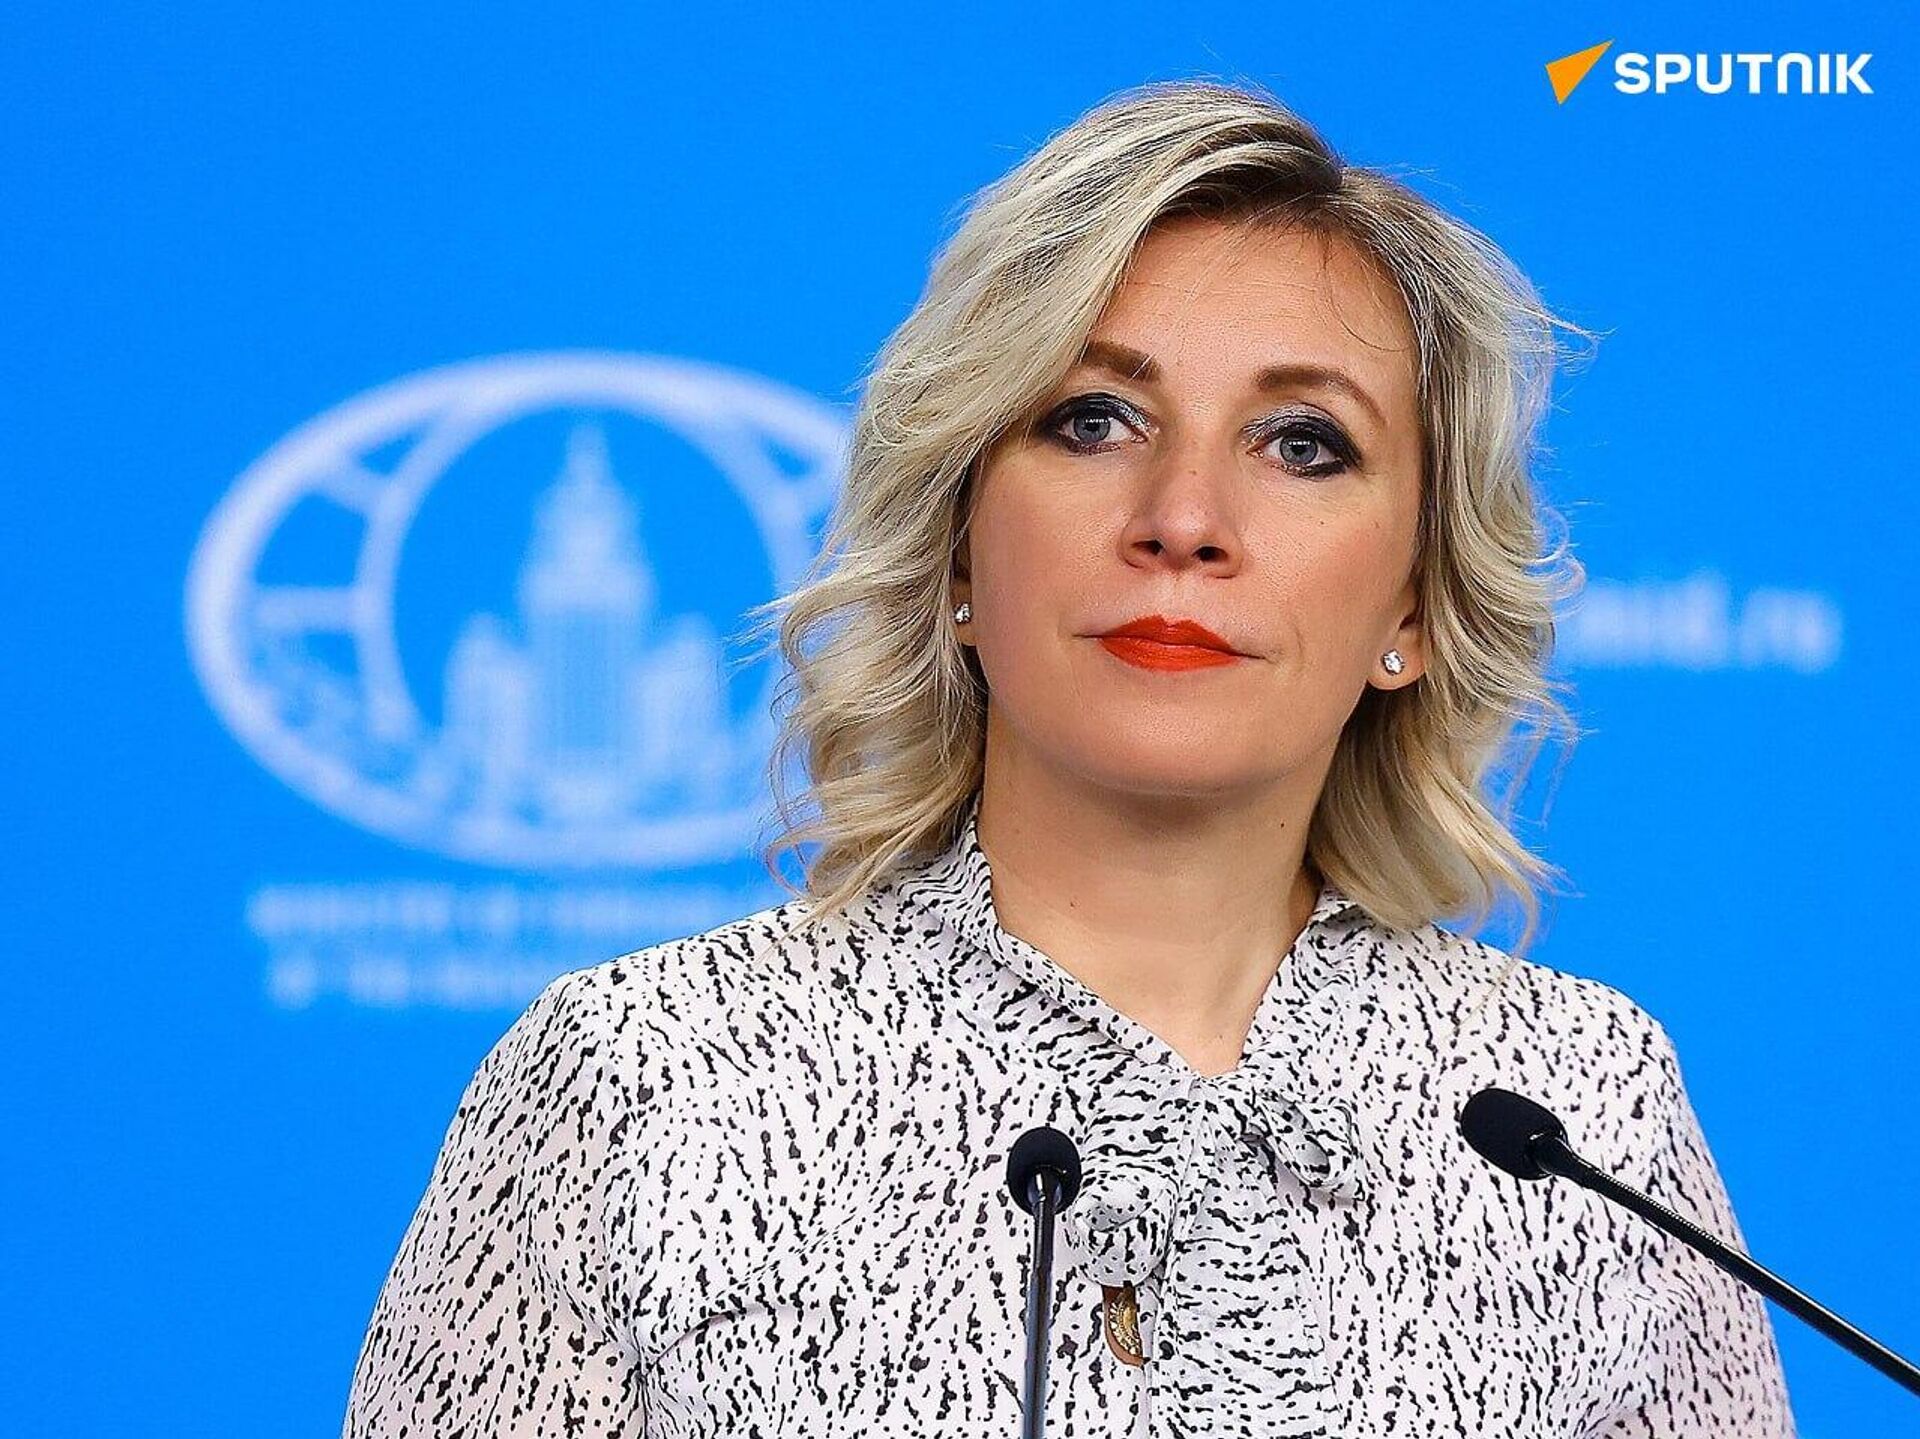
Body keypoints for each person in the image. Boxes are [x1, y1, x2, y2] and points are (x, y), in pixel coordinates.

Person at [340, 78, 1796, 1437]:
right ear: (958, 549)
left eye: (1303, 444)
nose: (1185, 519)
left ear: (1411, 608)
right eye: (1093, 420)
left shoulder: (1577, 1106)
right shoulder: (646, 1080)